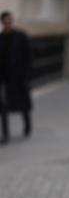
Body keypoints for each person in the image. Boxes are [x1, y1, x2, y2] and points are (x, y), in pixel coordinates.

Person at [0, 11, 33, 144]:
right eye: (6, 21)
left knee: (22, 105)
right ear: (2, 22)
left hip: (19, 77)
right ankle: (6, 135)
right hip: (4, 79)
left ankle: (27, 122)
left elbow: (29, 57)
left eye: (10, 20)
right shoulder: (0, 38)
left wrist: (27, 76)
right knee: (3, 106)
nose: (8, 23)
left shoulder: (21, 36)